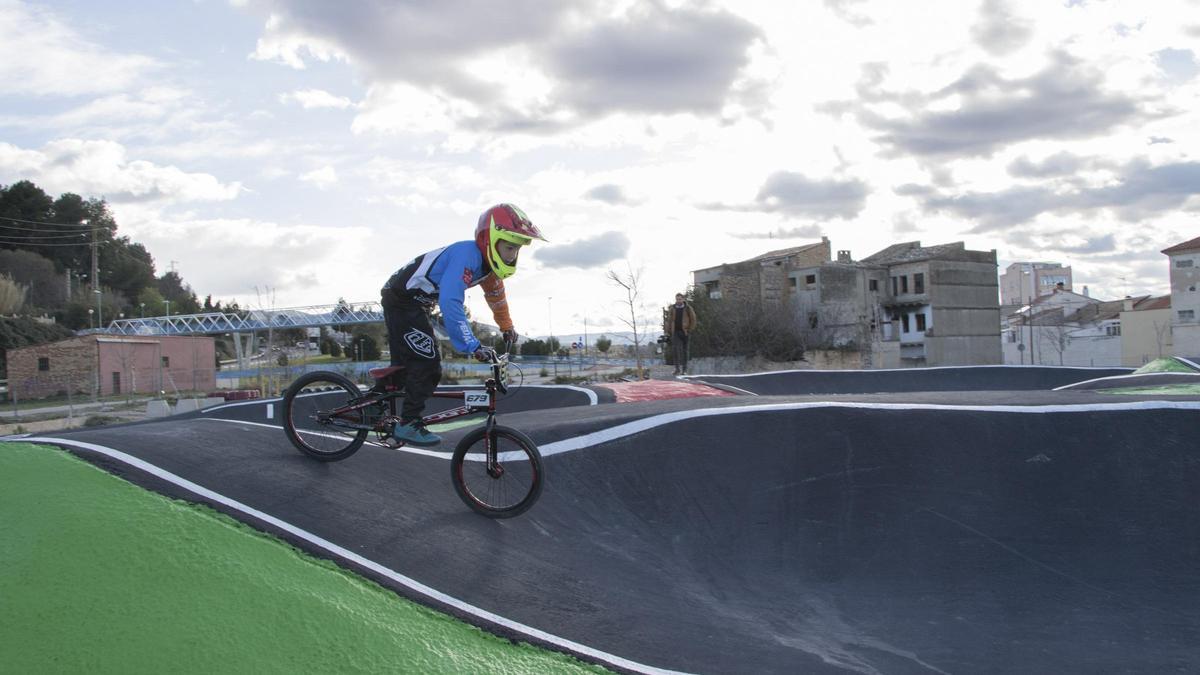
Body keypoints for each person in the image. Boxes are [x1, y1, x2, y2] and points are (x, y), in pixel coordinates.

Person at [380, 204, 545, 446]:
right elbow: (450, 302)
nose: (512, 255)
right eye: (509, 247)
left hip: (417, 303)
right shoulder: (467, 255)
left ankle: (372, 405)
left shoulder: (488, 267)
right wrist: (472, 345)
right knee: (427, 362)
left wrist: (507, 326)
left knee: (405, 366)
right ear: (489, 240)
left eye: (517, 249)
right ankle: (409, 423)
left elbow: (497, 298)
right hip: (402, 300)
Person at [663, 292, 697, 376]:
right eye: (677, 299)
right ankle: (677, 369)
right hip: (676, 332)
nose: (678, 301)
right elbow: (669, 320)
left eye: (680, 299)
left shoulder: (688, 308)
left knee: (685, 351)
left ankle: (684, 370)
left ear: (683, 299)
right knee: (676, 350)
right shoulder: (672, 308)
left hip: (685, 332)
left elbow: (693, 319)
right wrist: (668, 331)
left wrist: (689, 330)